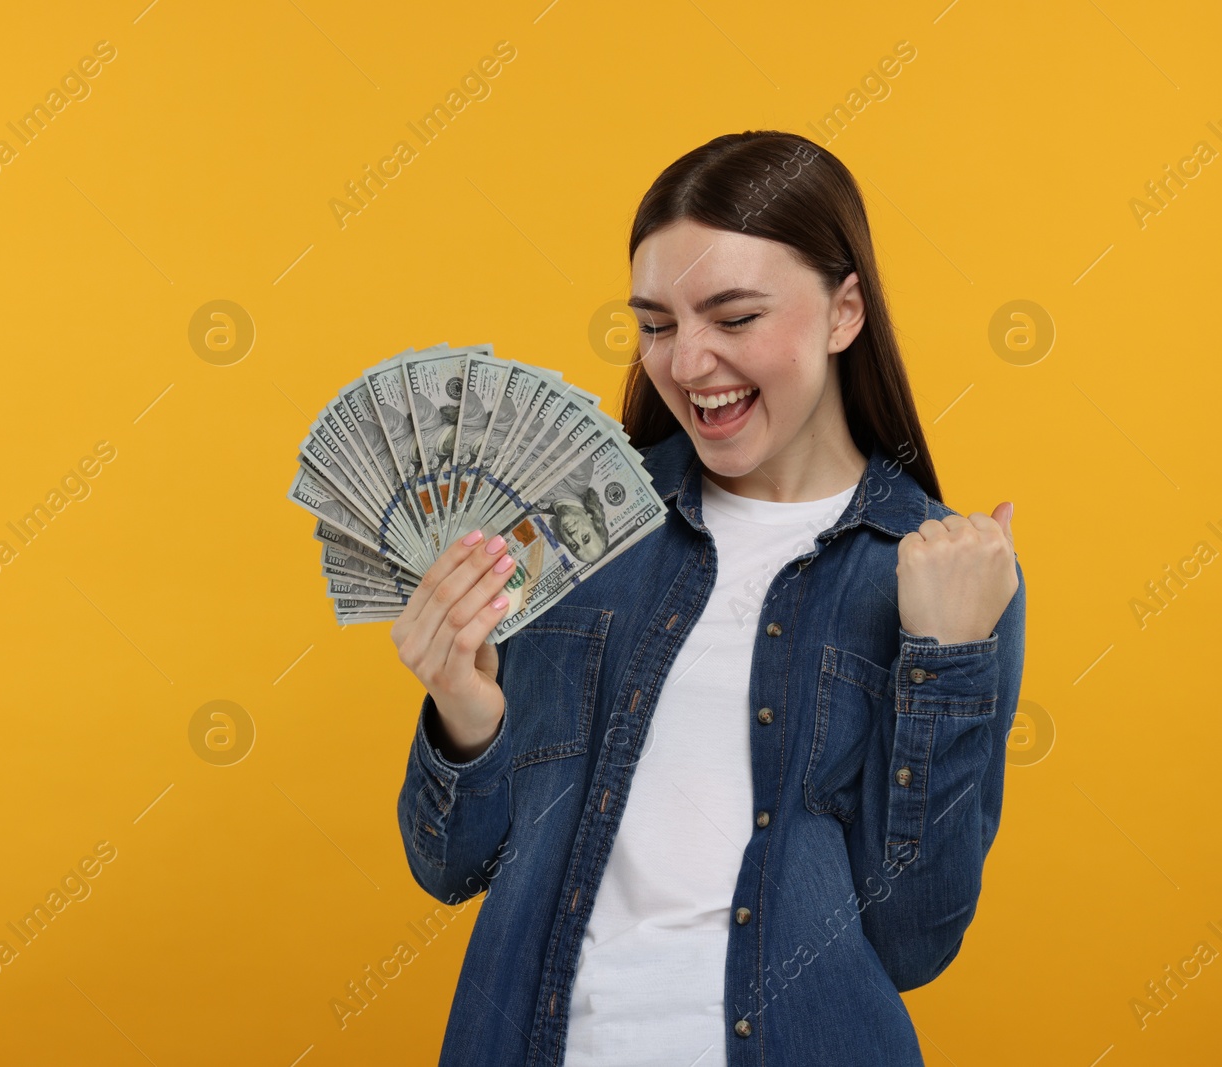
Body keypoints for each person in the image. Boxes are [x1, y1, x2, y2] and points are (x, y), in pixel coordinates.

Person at [390, 129, 1025, 1066]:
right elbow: (453, 867)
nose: (687, 365)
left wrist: (945, 661)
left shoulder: (946, 575)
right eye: (656, 324)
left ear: (845, 310)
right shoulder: (571, 533)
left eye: (733, 318)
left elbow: (913, 939)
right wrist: (466, 717)